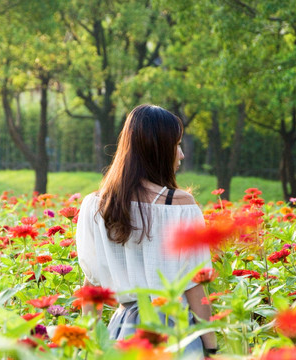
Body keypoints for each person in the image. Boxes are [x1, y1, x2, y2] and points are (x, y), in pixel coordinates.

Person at [76, 104, 217, 357]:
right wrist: (212, 348)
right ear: (158, 150)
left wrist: (90, 347)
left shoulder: (97, 206)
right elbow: (195, 288)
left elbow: (92, 287)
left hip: (123, 331)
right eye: (176, 145)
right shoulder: (181, 207)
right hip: (175, 333)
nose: (181, 155)